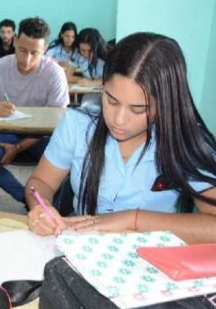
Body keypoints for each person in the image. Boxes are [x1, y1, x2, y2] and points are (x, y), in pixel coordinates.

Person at [30, 32, 216, 309]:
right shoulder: (79, 125)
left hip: (149, 274)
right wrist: (40, 208)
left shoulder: (184, 143)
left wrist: (134, 220)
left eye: (138, 109)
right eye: (111, 100)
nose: (118, 119)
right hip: (78, 258)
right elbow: (40, 182)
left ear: (166, 104)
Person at [0, 17, 69, 203]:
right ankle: (27, 199)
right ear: (14, 41)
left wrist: (18, 148)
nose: (26, 59)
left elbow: (58, 120)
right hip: (9, 131)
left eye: (34, 53)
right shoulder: (0, 66)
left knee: (64, 163)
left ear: (44, 50)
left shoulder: (54, 73)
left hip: (41, 136)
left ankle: (54, 208)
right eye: (22, 50)